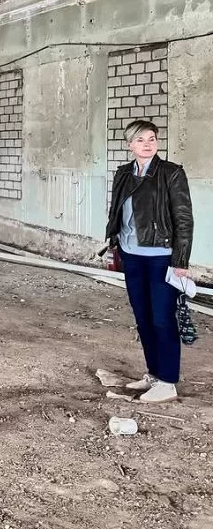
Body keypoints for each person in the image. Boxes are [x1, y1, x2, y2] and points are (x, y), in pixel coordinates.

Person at [105, 119, 193, 403]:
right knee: (143, 318)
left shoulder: (171, 173)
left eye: (152, 139)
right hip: (132, 255)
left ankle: (168, 382)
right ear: (129, 144)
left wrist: (181, 261)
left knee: (162, 319)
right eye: (140, 139)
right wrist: (114, 242)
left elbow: (183, 219)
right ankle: (154, 374)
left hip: (161, 257)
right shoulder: (123, 173)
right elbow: (117, 212)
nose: (147, 144)